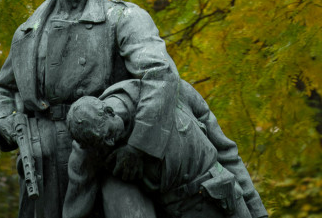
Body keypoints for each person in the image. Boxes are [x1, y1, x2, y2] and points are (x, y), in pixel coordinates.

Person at [0, 0, 181, 218]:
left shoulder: (122, 18)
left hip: (103, 147)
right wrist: (5, 121)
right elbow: (1, 89)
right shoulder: (28, 34)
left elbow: (160, 75)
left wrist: (140, 147)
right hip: (45, 156)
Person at [63, 79, 265, 218]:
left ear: (109, 111)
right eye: (101, 143)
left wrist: (258, 211)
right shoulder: (88, 150)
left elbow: (227, 154)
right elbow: (75, 209)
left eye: (108, 135)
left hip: (228, 201)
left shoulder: (172, 91)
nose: (109, 144)